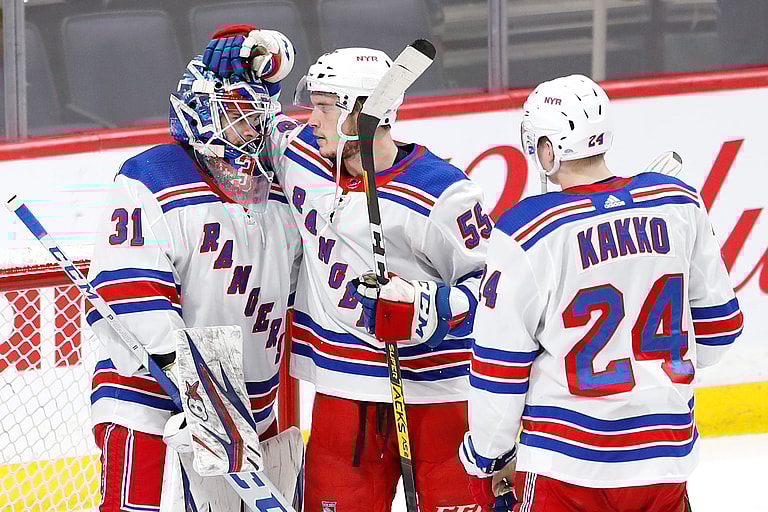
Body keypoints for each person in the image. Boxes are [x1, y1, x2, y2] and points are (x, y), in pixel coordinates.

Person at [204, 26, 491, 511]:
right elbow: (248, 109)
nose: (309, 118)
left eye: (324, 107)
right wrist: (248, 52)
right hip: (343, 391)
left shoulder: (443, 192)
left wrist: (430, 306)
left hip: (440, 393)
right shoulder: (299, 157)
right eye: (311, 104)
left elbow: (493, 284)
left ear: (363, 112)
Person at [459, 74, 744, 511]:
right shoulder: (679, 203)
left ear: (548, 150)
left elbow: (500, 368)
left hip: (567, 466)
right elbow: (720, 333)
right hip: (666, 457)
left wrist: (487, 455)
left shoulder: (526, 231)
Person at [86, 54, 301, 511]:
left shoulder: (280, 184)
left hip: (245, 393)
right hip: (147, 389)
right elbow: (128, 289)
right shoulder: (151, 175)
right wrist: (193, 380)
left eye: (257, 115)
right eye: (235, 112)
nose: (250, 128)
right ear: (198, 110)